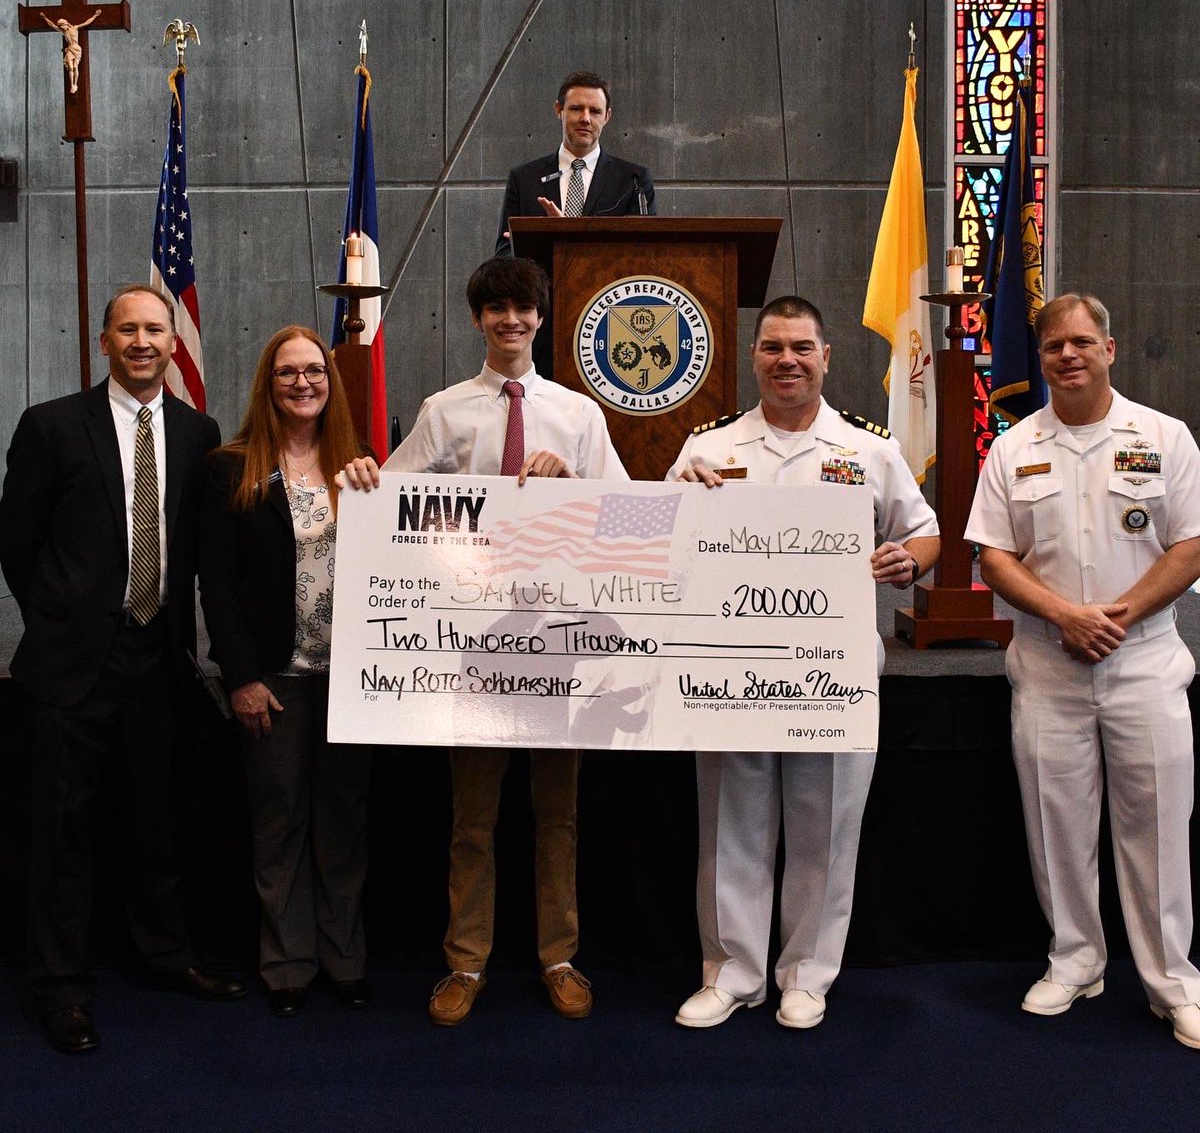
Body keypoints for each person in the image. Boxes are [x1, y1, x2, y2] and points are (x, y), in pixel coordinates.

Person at [343, 256, 627, 1025]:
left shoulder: (578, 415)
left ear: (542, 319)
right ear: (478, 320)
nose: (511, 321)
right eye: (496, 309)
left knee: (558, 816)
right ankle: (465, 963)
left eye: (524, 309)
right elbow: (392, 510)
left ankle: (558, 956)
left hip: (559, 644)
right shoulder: (444, 411)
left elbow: (630, 522)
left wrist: (572, 480)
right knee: (473, 819)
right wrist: (368, 485)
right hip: (470, 652)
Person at [666, 295, 939, 1030]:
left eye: (801, 348)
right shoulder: (707, 448)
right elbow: (652, 547)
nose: (787, 360)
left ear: (826, 357)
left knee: (826, 828)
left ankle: (807, 976)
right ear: (753, 357)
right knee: (730, 827)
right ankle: (730, 973)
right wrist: (677, 504)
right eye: (772, 347)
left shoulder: (869, 450)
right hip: (729, 674)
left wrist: (905, 561)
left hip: (834, 672)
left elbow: (925, 534)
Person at [0, 284, 244, 1054]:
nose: (143, 342)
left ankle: (166, 957)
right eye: (127, 330)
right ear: (104, 341)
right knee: (60, 835)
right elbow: (18, 543)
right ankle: (60, 988)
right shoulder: (50, 426)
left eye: (155, 330)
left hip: (160, 659)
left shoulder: (198, 429)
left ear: (174, 342)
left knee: (157, 824)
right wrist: (63, 618)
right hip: (71, 667)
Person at [965, 293, 1200, 1050]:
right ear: (1041, 359)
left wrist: (1116, 616)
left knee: (1157, 826)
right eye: (1054, 346)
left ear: (1110, 347)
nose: (1068, 355)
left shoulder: (1165, 437)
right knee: (1055, 824)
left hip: (1144, 662)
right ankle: (1075, 960)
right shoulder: (1013, 447)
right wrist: (1067, 616)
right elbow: (993, 555)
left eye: (1081, 342)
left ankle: (1173, 982)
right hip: (1048, 663)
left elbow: (1190, 546)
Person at [199, 326, 372, 1018]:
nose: (304, 383)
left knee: (345, 825)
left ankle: (346, 960)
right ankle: (288, 965)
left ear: (331, 385)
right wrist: (239, 675)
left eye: (316, 372)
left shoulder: (356, 463)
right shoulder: (231, 466)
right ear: (268, 385)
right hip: (274, 678)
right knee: (278, 825)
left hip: (350, 680)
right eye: (288, 373)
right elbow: (215, 583)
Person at [495, 69, 656, 379]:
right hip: (542, 332)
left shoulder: (633, 180)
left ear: (607, 116)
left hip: (611, 330)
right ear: (559, 110)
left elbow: (644, 260)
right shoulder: (525, 178)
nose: (585, 118)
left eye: (594, 111)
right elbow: (504, 253)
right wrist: (543, 242)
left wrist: (566, 237)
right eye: (576, 108)